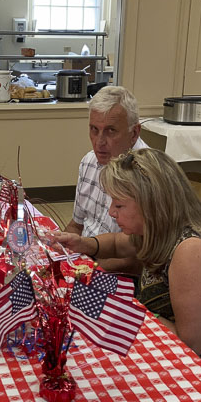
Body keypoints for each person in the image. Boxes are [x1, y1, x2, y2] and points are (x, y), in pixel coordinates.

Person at [55, 148, 201, 375]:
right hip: (159, 346)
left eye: (119, 205)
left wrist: (126, 309)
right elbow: (117, 243)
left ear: (150, 204)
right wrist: (83, 243)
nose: (111, 212)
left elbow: (190, 344)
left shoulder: (190, 251)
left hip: (191, 373)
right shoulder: (158, 230)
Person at [65, 85, 147, 273]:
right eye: (94, 129)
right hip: (88, 259)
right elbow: (76, 225)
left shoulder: (148, 176)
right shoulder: (89, 162)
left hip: (117, 274)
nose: (99, 142)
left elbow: (139, 259)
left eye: (111, 131)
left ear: (134, 133)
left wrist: (85, 271)